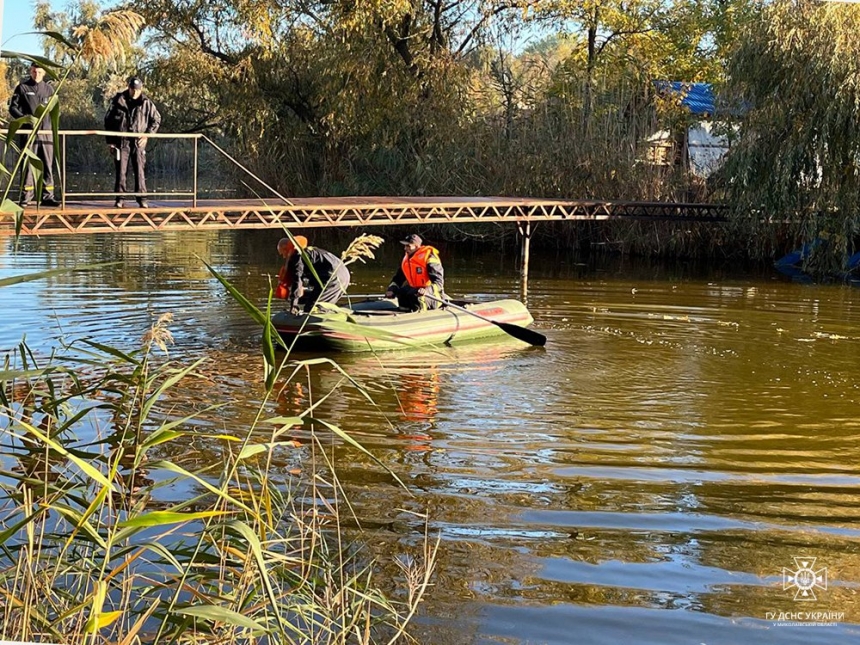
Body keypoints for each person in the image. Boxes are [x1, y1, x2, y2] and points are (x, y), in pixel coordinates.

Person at [104, 76, 162, 208]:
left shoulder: (146, 102)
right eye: (132, 89)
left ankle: (142, 199)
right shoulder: (118, 100)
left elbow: (156, 119)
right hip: (121, 141)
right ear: (128, 88)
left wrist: (147, 135)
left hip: (138, 141)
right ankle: (120, 198)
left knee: (139, 169)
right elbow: (108, 121)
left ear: (141, 89)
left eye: (137, 90)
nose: (135, 92)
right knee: (121, 170)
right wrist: (110, 142)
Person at [8, 62, 59, 208]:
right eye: (34, 72)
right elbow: (13, 108)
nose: (37, 74)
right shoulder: (22, 88)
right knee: (27, 164)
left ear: (44, 73)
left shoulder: (50, 89)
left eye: (40, 72)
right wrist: (25, 119)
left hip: (46, 134)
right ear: (31, 71)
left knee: (47, 164)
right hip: (29, 133)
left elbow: (55, 112)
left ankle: (47, 196)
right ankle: (25, 197)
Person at [275, 236, 351, 315]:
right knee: (323, 306)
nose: (284, 257)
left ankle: (318, 323)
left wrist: (294, 305)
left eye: (283, 253)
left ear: (286, 248)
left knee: (312, 309)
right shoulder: (311, 252)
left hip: (333, 277)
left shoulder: (297, 256)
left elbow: (297, 280)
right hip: (344, 274)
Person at [385, 233, 445, 311]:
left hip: (431, 295)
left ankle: (421, 314)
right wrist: (391, 289)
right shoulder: (407, 260)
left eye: (408, 246)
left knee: (417, 296)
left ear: (416, 246)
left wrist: (426, 290)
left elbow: (439, 283)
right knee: (402, 292)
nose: (405, 248)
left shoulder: (430, 258)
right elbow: (398, 278)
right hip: (415, 291)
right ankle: (403, 313)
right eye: (405, 246)